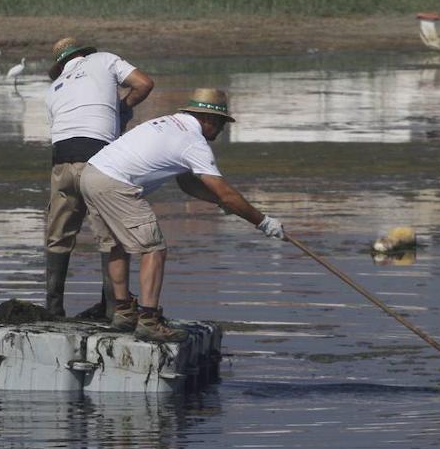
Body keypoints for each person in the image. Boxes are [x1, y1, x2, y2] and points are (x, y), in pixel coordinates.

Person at [79, 88, 287, 342]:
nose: (220, 132)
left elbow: (188, 184)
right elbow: (226, 192)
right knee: (153, 249)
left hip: (92, 174)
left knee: (115, 245)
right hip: (115, 183)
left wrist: (217, 201)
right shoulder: (193, 141)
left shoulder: (168, 123)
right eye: (221, 125)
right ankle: (148, 320)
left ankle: (123, 312)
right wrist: (263, 222)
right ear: (209, 119)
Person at [44, 37, 155, 319]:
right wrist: (122, 108)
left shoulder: (53, 89)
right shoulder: (105, 59)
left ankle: (53, 309)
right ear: (83, 53)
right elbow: (143, 83)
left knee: (58, 236)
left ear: (62, 64)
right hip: (97, 159)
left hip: (60, 162)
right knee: (109, 236)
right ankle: (111, 308)